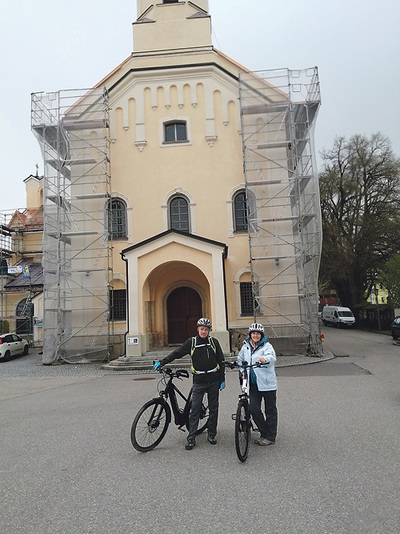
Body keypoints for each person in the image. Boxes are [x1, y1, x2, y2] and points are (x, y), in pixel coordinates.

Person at [153, 318, 225, 450]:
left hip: (213, 380)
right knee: (195, 410)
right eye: (201, 329)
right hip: (199, 381)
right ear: (198, 329)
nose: (204, 331)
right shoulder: (191, 343)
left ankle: (212, 434)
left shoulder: (214, 342)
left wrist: (222, 379)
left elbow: (221, 361)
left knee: (214, 408)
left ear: (209, 331)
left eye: (206, 329)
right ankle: (191, 437)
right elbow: (177, 353)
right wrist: (162, 362)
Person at [237, 322, 277, 446]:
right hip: (253, 384)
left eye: (257, 334)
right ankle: (264, 432)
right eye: (253, 333)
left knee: (270, 410)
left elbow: (272, 357)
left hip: (267, 383)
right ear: (250, 335)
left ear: (261, 335)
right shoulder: (246, 347)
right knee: (254, 409)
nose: (255, 336)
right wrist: (242, 371)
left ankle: (270, 436)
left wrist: (265, 359)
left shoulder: (267, 346)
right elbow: (240, 361)